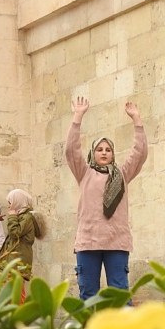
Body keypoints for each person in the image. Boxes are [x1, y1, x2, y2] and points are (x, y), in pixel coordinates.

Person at [65, 97, 147, 300]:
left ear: (113, 154)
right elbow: (71, 150)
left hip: (116, 242)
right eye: (99, 149)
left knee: (120, 294)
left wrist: (137, 120)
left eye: (108, 150)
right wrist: (78, 117)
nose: (104, 153)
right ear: (93, 153)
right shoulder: (84, 173)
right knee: (88, 295)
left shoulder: (122, 174)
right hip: (88, 242)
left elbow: (140, 154)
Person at [0, 188, 41, 287]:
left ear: (17, 202)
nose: (9, 206)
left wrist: (12, 216)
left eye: (10, 202)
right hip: (15, 259)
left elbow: (15, 233)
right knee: (13, 289)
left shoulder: (27, 217)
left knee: (16, 290)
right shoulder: (21, 216)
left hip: (18, 259)